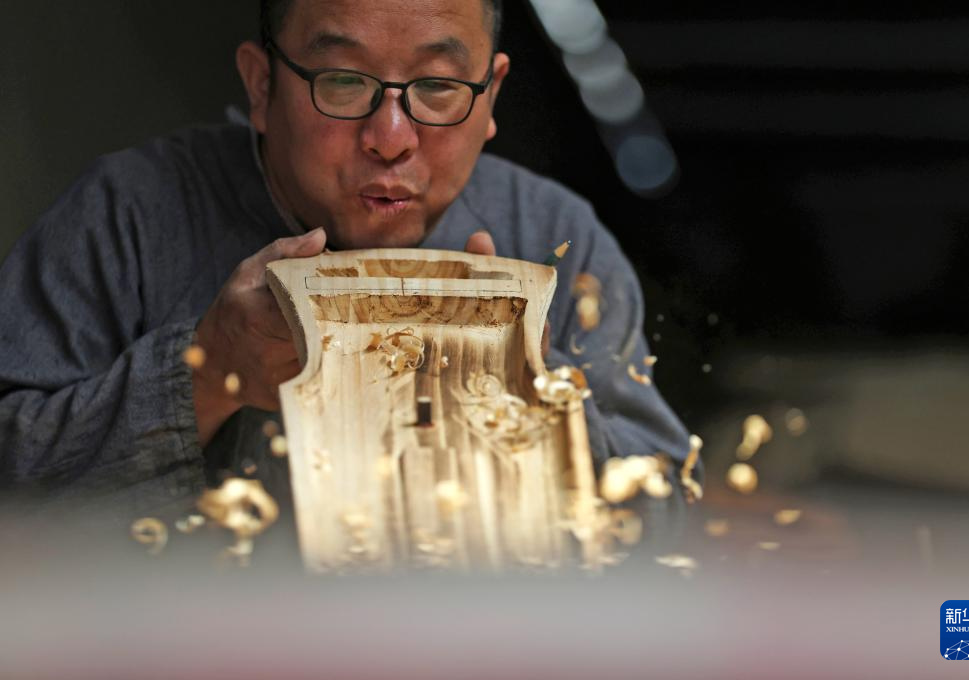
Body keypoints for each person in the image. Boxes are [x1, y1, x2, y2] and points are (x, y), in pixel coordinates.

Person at [0, 0, 691, 525]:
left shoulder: (556, 242)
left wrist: (540, 408)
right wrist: (206, 374)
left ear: (491, 96)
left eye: (439, 86)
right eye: (341, 81)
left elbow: (665, 510)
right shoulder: (127, 214)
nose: (390, 138)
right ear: (262, 86)